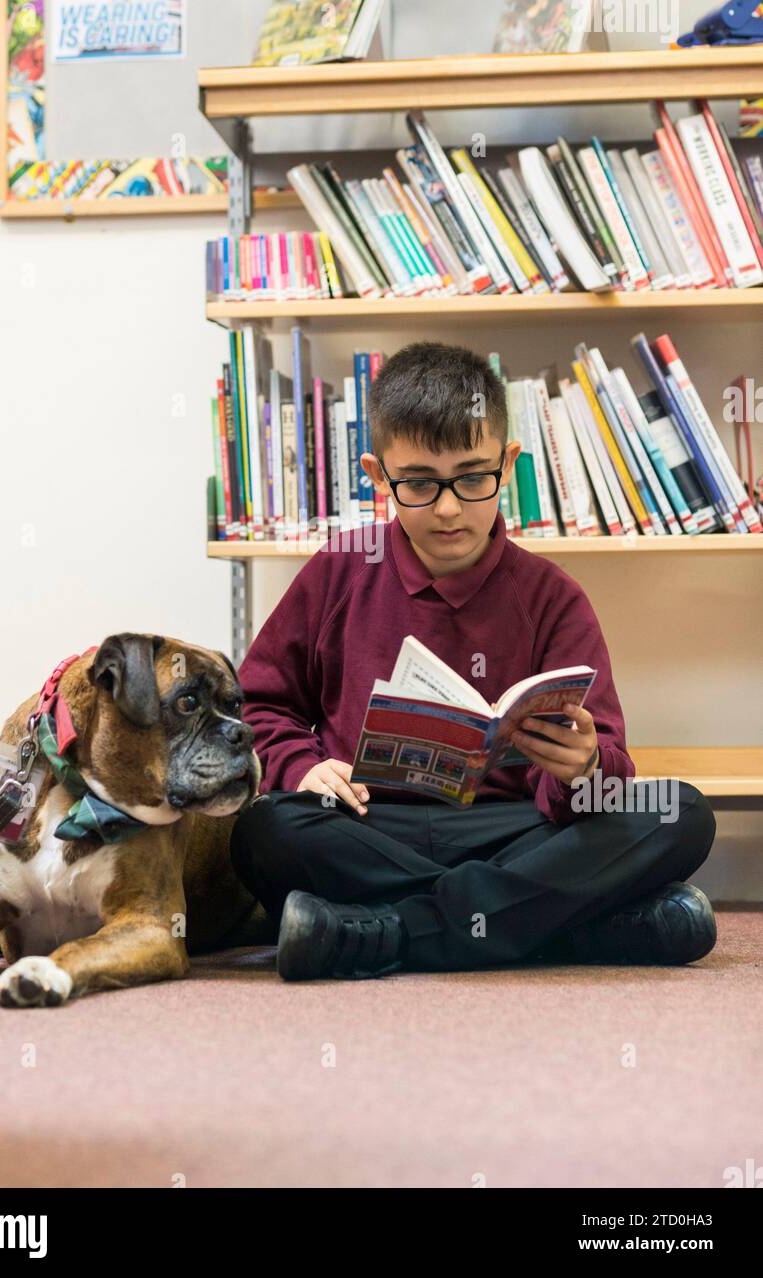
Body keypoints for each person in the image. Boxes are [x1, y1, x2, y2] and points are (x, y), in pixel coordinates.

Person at [232, 342, 717, 980]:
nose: (449, 508)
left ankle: (387, 931)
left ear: (508, 464)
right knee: (264, 832)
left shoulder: (552, 596)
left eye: (472, 477)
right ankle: (569, 926)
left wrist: (584, 769)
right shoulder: (340, 569)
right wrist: (305, 766)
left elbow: (605, 782)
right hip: (370, 825)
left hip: (513, 828)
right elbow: (256, 705)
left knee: (678, 813)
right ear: (378, 476)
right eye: (420, 483)